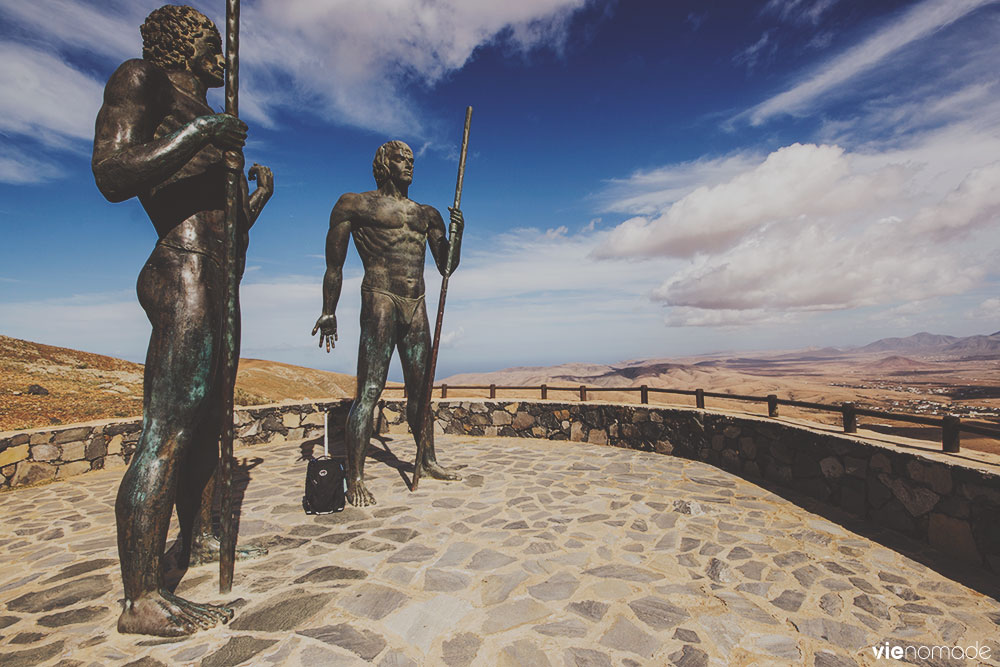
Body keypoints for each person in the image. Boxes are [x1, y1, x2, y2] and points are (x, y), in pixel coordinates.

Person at [92, 5, 273, 636]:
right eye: (212, 45)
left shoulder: (209, 120)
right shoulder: (144, 81)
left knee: (210, 420)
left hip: (222, 277)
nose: (221, 57)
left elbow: (229, 225)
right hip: (183, 269)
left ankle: (198, 541)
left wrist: (255, 198)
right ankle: (141, 595)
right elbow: (111, 173)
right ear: (184, 43)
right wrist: (203, 136)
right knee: (168, 426)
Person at [312, 140, 462, 506]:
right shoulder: (355, 204)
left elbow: (446, 266)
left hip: (418, 303)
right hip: (379, 298)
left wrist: (458, 234)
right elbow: (335, 265)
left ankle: (426, 460)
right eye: (401, 158)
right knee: (370, 391)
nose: (409, 165)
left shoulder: (427, 214)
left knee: (420, 392)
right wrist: (328, 310)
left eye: (412, 160)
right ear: (383, 164)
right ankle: (357, 477)